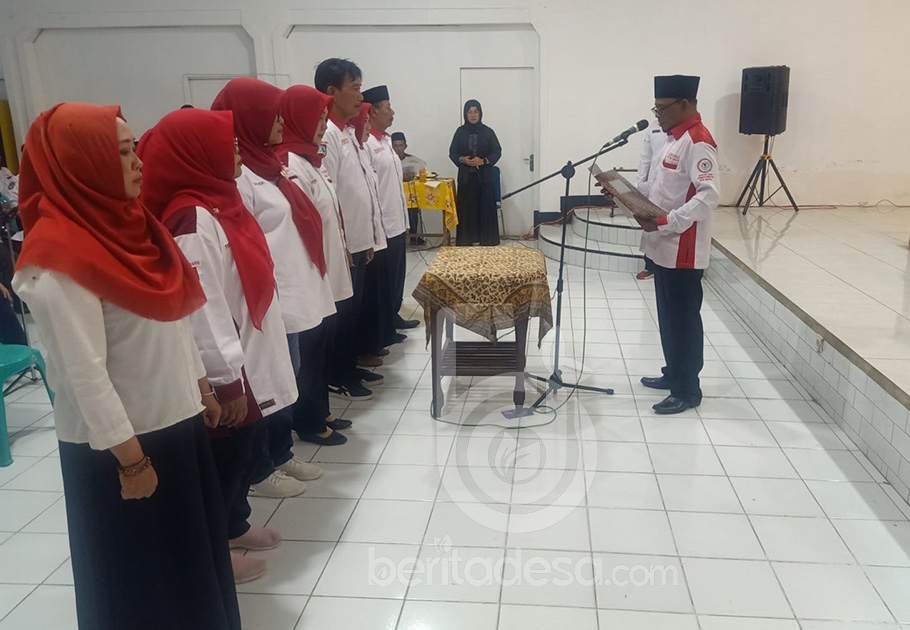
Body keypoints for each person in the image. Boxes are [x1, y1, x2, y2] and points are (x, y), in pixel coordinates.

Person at [12, 103, 241, 630]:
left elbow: (175, 316)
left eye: (133, 148)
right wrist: (132, 461)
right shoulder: (57, 255)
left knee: (188, 567)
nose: (137, 161)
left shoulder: (136, 229)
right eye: (120, 152)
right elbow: (82, 372)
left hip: (175, 424)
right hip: (122, 446)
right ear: (82, 165)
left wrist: (200, 385)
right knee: (141, 583)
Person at [139, 107, 305, 584]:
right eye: (225, 144)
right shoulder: (191, 218)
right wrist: (225, 380)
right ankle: (214, 550)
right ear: (197, 153)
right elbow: (202, 308)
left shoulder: (218, 200)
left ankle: (234, 524)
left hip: (246, 351)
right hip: (226, 367)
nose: (236, 151)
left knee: (246, 449)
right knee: (228, 457)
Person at [212, 79, 344, 495]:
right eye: (273, 115)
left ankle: (281, 452)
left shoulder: (270, 164)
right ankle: (260, 467)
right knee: (266, 380)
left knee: (289, 373)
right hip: (270, 295)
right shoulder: (241, 175)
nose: (281, 122)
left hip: (291, 288)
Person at [277, 84, 362, 436]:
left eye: (325, 117)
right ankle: (309, 420)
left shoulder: (312, 160)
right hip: (312, 274)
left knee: (323, 347)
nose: (323, 124)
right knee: (311, 352)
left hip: (328, 268)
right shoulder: (291, 163)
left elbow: (329, 212)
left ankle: (321, 411)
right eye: (318, 117)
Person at [635, 75, 720, 415]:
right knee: (668, 317)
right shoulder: (672, 140)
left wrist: (668, 222)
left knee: (684, 321)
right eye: (655, 108)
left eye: (662, 108)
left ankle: (687, 390)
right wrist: (622, 192)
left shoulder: (698, 142)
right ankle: (673, 373)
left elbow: (708, 196)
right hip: (663, 245)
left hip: (683, 247)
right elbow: (660, 188)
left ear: (685, 104)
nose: (657, 115)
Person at [316, 58, 385, 398]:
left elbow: (358, 189)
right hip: (343, 246)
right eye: (355, 89)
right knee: (341, 315)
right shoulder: (328, 134)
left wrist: (367, 238)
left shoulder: (345, 132)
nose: (361, 97)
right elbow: (329, 194)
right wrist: (344, 243)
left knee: (353, 311)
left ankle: (349, 365)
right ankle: (337, 374)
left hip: (358, 241)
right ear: (332, 92)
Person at [364, 85, 420, 336]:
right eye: (387, 107)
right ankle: (384, 324)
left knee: (397, 275)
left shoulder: (386, 140)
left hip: (398, 220)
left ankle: (393, 315)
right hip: (384, 223)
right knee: (385, 279)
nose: (392, 112)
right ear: (373, 111)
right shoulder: (367, 143)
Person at [349, 102, 392, 362]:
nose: (367, 125)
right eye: (364, 120)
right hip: (352, 240)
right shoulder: (341, 142)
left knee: (366, 297)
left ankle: (369, 344)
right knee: (353, 304)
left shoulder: (362, 148)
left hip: (368, 234)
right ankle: (353, 357)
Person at [449, 99, 502, 246]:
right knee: (466, 210)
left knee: (485, 209)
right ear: (465, 114)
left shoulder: (488, 132)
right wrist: (462, 160)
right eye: (469, 112)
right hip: (466, 178)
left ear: (480, 113)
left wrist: (483, 161)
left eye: (476, 112)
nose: (473, 115)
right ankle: (466, 241)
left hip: (485, 179)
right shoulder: (460, 132)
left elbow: (497, 151)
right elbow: (452, 152)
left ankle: (487, 241)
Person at [634, 117, 669, 280]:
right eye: (656, 110)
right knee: (650, 227)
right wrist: (639, 184)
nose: (658, 114)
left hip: (671, 187)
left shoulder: (683, 133)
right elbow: (646, 158)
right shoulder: (652, 127)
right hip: (652, 184)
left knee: (665, 226)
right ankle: (650, 265)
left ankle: (665, 265)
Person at [391, 131, 427, 245]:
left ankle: (414, 236)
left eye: (401, 145)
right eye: (395, 146)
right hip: (391, 195)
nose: (398, 149)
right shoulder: (387, 159)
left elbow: (421, 170)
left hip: (409, 194)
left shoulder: (412, 160)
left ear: (405, 146)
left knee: (413, 207)